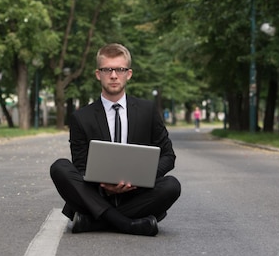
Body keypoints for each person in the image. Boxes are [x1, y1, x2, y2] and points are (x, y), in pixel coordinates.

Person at [50, 43, 181, 236]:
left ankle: (95, 222)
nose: (113, 75)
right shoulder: (81, 117)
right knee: (59, 167)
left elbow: (168, 156)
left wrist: (139, 178)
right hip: (96, 193)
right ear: (98, 74)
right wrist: (105, 184)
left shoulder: (148, 110)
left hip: (138, 193)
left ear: (128, 73)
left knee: (171, 185)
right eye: (107, 69)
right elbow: (80, 165)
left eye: (119, 69)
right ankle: (127, 224)